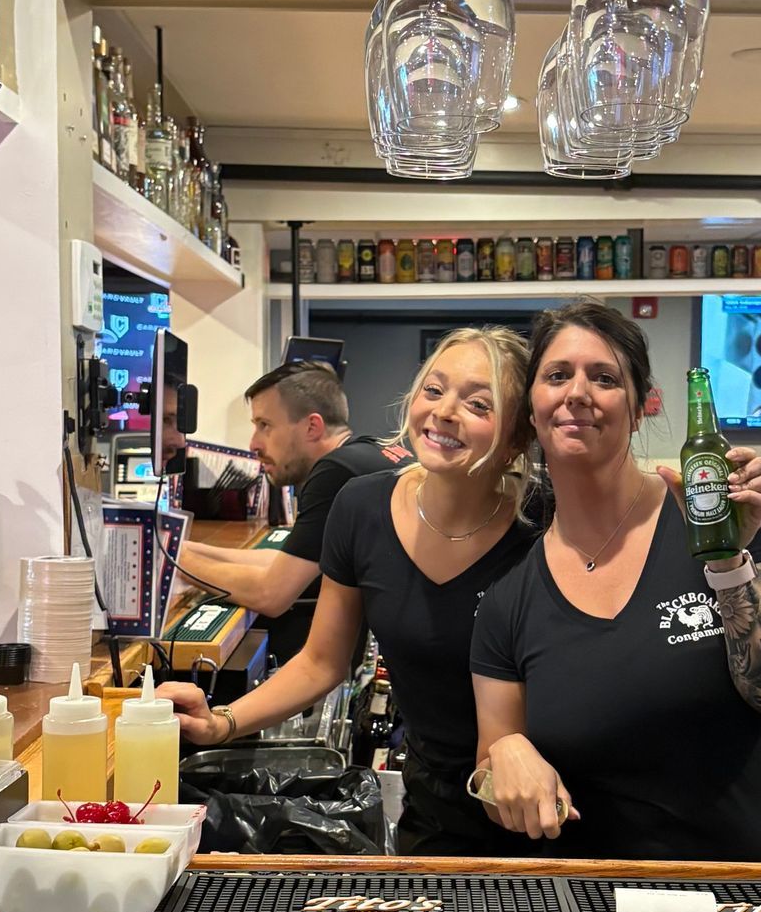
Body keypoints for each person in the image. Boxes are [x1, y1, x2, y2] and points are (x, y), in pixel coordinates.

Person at [168, 328, 542, 855]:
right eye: (434, 391)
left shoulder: (545, 522)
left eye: (479, 403)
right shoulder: (361, 508)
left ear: (519, 437)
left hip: (545, 807)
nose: (445, 411)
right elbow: (322, 661)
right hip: (432, 810)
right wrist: (221, 723)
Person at [470, 300, 761, 861]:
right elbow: (494, 788)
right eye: (557, 375)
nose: (578, 392)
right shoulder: (510, 599)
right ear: (532, 410)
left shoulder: (720, 517)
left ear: (638, 410)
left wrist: (728, 562)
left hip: (750, 894)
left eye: (604, 378)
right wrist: (505, 752)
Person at [173, 362, 403, 666]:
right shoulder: (365, 453)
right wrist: (183, 549)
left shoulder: (335, 473)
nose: (254, 444)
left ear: (312, 427)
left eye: (264, 425)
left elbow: (271, 595)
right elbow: (285, 562)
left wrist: (168, 561)